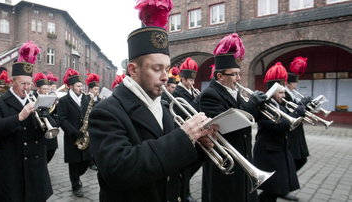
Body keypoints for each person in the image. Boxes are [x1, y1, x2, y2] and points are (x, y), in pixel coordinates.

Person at [87, 3, 219, 199]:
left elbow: (173, 168)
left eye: (166, 68)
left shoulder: (164, 107)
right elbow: (118, 171)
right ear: (133, 70)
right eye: (157, 69)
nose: (165, 76)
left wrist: (199, 146)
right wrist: (183, 138)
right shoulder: (106, 111)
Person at [198, 33, 267, 202]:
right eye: (234, 74)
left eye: (239, 73)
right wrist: (252, 104)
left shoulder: (234, 92)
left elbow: (249, 118)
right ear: (220, 76)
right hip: (225, 160)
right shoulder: (210, 94)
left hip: (242, 156)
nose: (239, 78)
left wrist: (260, 105)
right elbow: (229, 125)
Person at [0, 41, 53, 202]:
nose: (27, 88)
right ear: (12, 82)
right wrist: (19, 117)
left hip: (35, 165)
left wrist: (46, 116)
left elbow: (51, 126)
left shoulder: (36, 99)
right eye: (23, 83)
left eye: (30, 84)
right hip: (11, 165)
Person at [254, 62, 302, 202]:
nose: (283, 95)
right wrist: (296, 115)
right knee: (272, 189)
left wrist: (301, 109)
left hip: (279, 150)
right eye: (280, 92)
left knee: (276, 189)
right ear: (272, 91)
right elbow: (278, 126)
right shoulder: (265, 105)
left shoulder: (280, 104)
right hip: (268, 152)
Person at [57, 68, 92, 197]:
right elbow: (61, 119)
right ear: (71, 87)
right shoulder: (64, 101)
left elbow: (90, 115)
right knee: (74, 163)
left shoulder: (86, 99)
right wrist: (74, 132)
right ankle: (75, 185)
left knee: (86, 162)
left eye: (81, 85)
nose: (81, 88)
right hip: (72, 137)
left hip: (85, 136)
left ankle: (78, 177)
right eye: (78, 86)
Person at [280, 57, 310, 201]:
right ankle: (281, 187)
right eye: (294, 82)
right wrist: (301, 106)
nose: (296, 85)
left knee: (301, 159)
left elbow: (300, 110)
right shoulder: (284, 94)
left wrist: (308, 105)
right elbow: (288, 111)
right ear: (288, 83)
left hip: (298, 130)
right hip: (290, 131)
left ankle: (282, 185)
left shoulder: (292, 94)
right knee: (293, 161)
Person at [33, 72, 58, 163]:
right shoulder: (33, 97)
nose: (46, 91)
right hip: (38, 127)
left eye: (47, 89)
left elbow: (52, 111)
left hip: (49, 124)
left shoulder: (49, 96)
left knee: (52, 148)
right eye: (44, 89)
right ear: (38, 88)